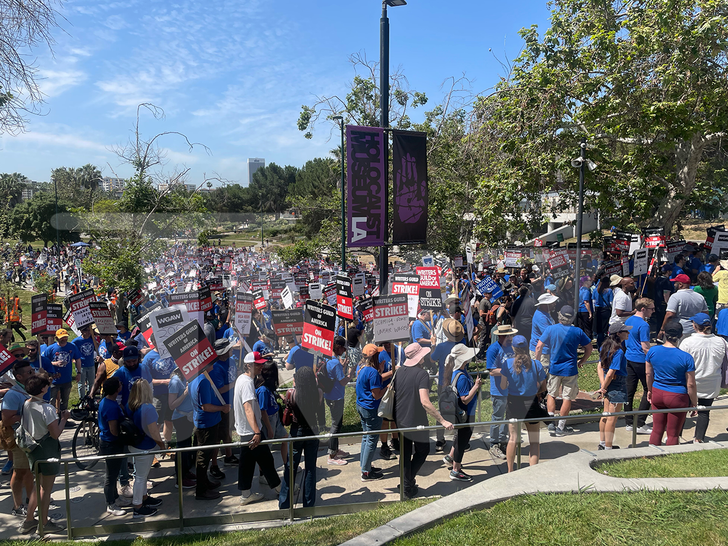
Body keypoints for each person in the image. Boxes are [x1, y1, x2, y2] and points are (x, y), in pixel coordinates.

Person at [392, 343, 453, 499]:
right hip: (416, 421)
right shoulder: (422, 374)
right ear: (419, 357)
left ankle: (406, 483)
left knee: (405, 454)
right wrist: (442, 420)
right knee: (423, 450)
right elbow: (425, 401)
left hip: (400, 419)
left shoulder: (398, 372)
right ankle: (407, 484)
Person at [20, 373, 68, 535]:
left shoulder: (27, 404)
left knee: (37, 486)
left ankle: (29, 520)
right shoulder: (46, 408)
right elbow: (55, 434)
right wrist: (64, 419)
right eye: (46, 385)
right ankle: (44, 522)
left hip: (33, 450)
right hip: (47, 450)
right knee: (45, 490)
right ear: (43, 389)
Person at [535, 305, 593, 437]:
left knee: (551, 394)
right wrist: (582, 360)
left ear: (559, 315)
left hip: (554, 368)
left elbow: (539, 346)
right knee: (567, 397)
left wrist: (537, 363)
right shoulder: (577, 331)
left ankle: (550, 422)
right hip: (570, 369)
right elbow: (589, 347)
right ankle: (561, 427)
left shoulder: (551, 329)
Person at [234, 351, 281, 505]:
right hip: (251, 432)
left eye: (261, 364)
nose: (261, 367)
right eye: (257, 364)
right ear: (248, 365)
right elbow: (248, 408)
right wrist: (257, 431)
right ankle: (280, 488)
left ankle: (246, 494)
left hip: (246, 430)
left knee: (247, 464)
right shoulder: (247, 383)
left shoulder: (242, 379)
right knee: (266, 460)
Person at [498, 335, 548, 472]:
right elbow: (544, 387)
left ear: (513, 348)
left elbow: (503, 386)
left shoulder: (507, 364)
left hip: (514, 403)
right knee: (534, 441)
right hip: (531, 404)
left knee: (512, 438)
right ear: (526, 347)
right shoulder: (536, 364)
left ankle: (510, 471)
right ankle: (532, 472)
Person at [646, 320, 697, 446]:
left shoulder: (652, 351)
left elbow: (648, 374)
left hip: (657, 391)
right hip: (677, 395)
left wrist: (649, 390)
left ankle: (649, 454)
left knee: (657, 430)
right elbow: (690, 384)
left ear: (664, 334)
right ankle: (670, 458)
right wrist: (694, 402)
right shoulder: (686, 357)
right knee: (673, 433)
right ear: (681, 335)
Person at [279, 366, 323, 509]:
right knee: (310, 468)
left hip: (296, 431)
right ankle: (308, 504)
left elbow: (288, 406)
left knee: (290, 467)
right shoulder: (318, 392)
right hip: (313, 431)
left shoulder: (291, 393)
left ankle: (285, 504)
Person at [678, 313, 726, 443]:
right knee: (704, 412)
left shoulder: (687, 342)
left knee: (683, 411)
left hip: (690, 382)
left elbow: (680, 362)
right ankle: (699, 439)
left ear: (694, 326)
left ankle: (676, 436)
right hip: (712, 383)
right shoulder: (721, 342)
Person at [190, 361, 230, 501]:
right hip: (207, 423)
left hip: (203, 422)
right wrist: (222, 409)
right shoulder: (203, 381)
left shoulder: (195, 379)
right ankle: (201, 490)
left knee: (203, 456)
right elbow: (205, 406)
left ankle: (204, 482)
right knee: (203, 457)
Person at [1, 360, 35, 524]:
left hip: (31, 437)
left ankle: (30, 499)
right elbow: (7, 420)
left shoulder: (28, 390)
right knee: (20, 472)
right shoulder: (13, 394)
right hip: (19, 438)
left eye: (33, 370)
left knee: (29, 472)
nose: (33, 374)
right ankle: (17, 505)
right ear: (19, 376)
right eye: (29, 372)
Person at [126, 379, 165, 518]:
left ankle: (144, 497)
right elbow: (154, 432)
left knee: (141, 475)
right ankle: (137, 506)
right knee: (140, 477)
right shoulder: (148, 408)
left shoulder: (130, 406)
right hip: (144, 446)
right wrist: (162, 445)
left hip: (134, 444)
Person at [443, 344, 480, 481]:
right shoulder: (462, 377)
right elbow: (465, 399)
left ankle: (452, 459)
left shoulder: (456, 372)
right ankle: (456, 469)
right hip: (465, 414)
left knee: (460, 438)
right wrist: (476, 386)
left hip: (462, 414)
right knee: (462, 441)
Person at [97, 376, 130, 515]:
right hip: (111, 443)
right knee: (111, 476)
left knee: (114, 473)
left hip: (109, 442)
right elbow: (113, 430)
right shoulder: (110, 407)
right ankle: (110, 504)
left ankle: (116, 498)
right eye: (120, 384)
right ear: (117, 389)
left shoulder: (108, 401)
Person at [622, 298, 655, 434]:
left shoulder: (628, 320)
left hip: (629, 358)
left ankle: (629, 422)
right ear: (643, 309)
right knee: (649, 390)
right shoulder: (644, 325)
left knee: (629, 391)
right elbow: (645, 347)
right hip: (641, 360)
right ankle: (640, 423)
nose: (653, 311)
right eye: (651, 309)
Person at [597, 323, 631, 450]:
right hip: (617, 384)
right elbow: (612, 372)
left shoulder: (604, 346)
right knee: (612, 417)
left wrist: (603, 385)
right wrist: (604, 386)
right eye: (625, 331)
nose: (628, 333)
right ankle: (608, 447)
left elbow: (600, 367)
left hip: (606, 382)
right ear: (618, 333)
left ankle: (602, 442)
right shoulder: (619, 351)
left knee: (605, 414)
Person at [486, 324, 517, 458]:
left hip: (512, 390)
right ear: (500, 336)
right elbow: (492, 371)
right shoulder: (493, 349)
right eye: (507, 335)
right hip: (499, 390)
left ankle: (503, 440)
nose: (510, 337)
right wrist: (509, 370)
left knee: (508, 417)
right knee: (497, 417)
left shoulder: (513, 347)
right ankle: (494, 443)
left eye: (511, 335)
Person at [356, 345, 386, 481]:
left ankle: (364, 465)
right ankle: (366, 472)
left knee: (366, 437)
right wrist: (388, 388)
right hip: (371, 408)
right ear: (374, 356)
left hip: (361, 405)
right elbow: (376, 395)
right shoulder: (373, 373)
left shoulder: (361, 368)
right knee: (371, 440)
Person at [323, 336, 352, 466]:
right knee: (335, 426)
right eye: (343, 348)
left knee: (337, 425)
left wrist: (343, 367)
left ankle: (335, 450)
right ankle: (331, 456)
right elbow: (342, 381)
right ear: (338, 347)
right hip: (336, 397)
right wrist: (350, 375)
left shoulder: (328, 358)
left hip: (330, 396)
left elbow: (336, 376)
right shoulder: (335, 363)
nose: (344, 350)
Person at [256, 360, 288, 466]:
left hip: (275, 418)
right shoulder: (262, 390)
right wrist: (269, 429)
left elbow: (272, 393)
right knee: (266, 447)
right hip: (268, 420)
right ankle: (263, 473)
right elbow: (263, 411)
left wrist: (280, 396)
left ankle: (286, 463)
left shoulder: (268, 387)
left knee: (286, 438)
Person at [168, 368, 196, 489]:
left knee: (187, 445)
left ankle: (185, 471)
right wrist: (185, 393)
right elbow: (171, 405)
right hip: (180, 418)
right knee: (182, 448)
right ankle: (180, 479)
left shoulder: (189, 377)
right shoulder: (175, 381)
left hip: (189, 417)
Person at [42, 328, 82, 414]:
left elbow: (78, 359)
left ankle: (63, 418)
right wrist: (54, 363)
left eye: (65, 337)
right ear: (56, 338)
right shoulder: (50, 349)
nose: (64, 339)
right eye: (61, 337)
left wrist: (79, 372)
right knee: (51, 401)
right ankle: (52, 419)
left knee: (65, 401)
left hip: (67, 379)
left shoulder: (72, 347)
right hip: (53, 380)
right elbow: (44, 362)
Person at [660, 274, 708, 339]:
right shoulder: (700, 297)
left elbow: (669, 314)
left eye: (675, 283)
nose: (674, 285)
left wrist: (662, 329)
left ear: (680, 284)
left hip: (680, 331)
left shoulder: (675, 296)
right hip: (695, 330)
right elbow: (705, 313)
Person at [377, 341, 402, 457]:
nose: (387, 345)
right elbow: (378, 377)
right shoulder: (380, 354)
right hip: (385, 390)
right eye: (384, 343)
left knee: (395, 417)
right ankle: (384, 445)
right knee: (385, 419)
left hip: (398, 388)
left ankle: (395, 440)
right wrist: (393, 371)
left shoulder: (399, 351)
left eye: (389, 343)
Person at [529, 293, 558, 373]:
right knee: (544, 377)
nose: (554, 304)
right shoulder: (541, 317)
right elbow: (549, 335)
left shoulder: (546, 313)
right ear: (545, 304)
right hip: (542, 352)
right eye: (552, 302)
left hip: (546, 350)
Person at [71, 324, 99, 400]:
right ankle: (82, 399)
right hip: (81, 365)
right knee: (81, 384)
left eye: (90, 330)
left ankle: (90, 397)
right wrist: (74, 360)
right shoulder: (76, 341)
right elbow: (71, 351)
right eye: (86, 330)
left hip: (91, 364)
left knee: (91, 383)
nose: (89, 332)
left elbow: (97, 347)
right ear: (82, 331)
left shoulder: (92, 339)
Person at [592, 274, 614, 348]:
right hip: (606, 311)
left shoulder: (595, 290)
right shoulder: (609, 291)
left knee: (599, 330)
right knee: (605, 329)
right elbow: (611, 303)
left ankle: (599, 346)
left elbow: (593, 302)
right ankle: (605, 345)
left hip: (597, 310)